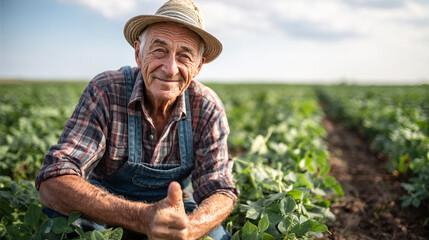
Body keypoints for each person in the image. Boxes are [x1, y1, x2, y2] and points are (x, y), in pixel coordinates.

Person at [35, 0, 238, 239]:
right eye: (159, 50)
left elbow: (220, 189)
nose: (170, 68)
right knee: (66, 225)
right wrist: (141, 217)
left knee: (214, 235)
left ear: (198, 67)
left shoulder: (206, 106)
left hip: (171, 209)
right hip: (103, 209)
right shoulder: (107, 90)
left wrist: (190, 228)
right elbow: (54, 180)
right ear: (138, 54)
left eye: (184, 56)